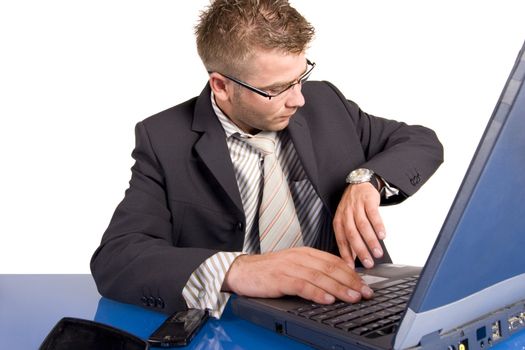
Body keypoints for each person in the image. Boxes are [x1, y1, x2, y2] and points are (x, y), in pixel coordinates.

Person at [91, 0, 443, 319]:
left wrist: (368, 180)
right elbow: (117, 258)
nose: (298, 100)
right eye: (276, 89)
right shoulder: (164, 138)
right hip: (240, 325)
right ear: (221, 86)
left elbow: (420, 141)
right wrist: (239, 270)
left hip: (353, 304)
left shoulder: (326, 103)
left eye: (300, 77)